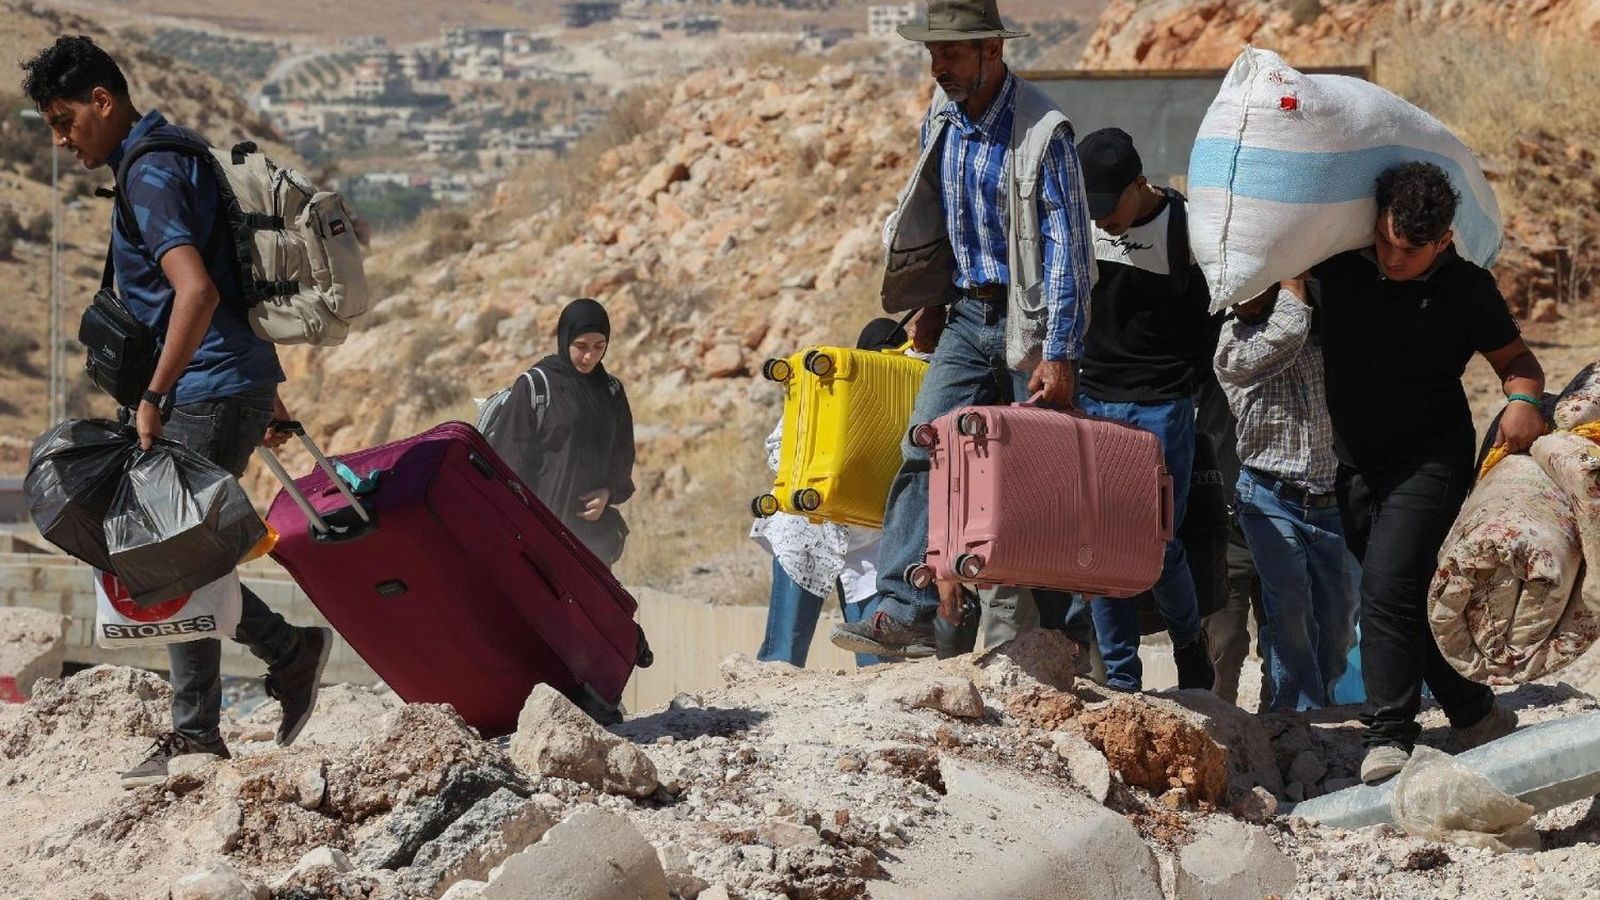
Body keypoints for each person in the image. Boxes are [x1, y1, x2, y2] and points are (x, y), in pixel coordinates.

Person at [20, 36, 331, 788]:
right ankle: (284, 654)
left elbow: (198, 291)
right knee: (177, 549)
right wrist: (263, 390)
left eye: (66, 121)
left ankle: (200, 731)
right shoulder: (177, 153)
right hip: (226, 381)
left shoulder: (151, 170)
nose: (62, 141)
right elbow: (236, 278)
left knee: (166, 546)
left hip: (200, 388)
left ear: (103, 100)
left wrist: (155, 395)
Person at [829, 0, 1096, 659]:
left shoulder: (1043, 132)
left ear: (992, 52)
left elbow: (1068, 252)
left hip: (1027, 326)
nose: (937, 65)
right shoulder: (941, 118)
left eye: (950, 52)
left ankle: (1071, 633)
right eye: (933, 53)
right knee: (923, 446)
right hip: (967, 316)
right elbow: (943, 221)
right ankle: (907, 609)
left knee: (1034, 478)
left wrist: (1059, 353)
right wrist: (929, 302)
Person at [1312, 161, 1544, 783]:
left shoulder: (1467, 289)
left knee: (1386, 590)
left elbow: (1517, 360)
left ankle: (1390, 737)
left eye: (1410, 249)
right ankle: (1473, 710)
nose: (1393, 257)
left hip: (1430, 460)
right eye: (1385, 241)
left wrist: (1523, 401)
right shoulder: (1335, 268)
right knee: (1406, 597)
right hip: (1355, 464)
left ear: (1443, 240)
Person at [1073, 127, 1216, 692]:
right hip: (1094, 399)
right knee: (1099, 540)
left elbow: (1210, 316)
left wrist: (1188, 386)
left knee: (1157, 537)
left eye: (1112, 207)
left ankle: (1188, 644)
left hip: (1163, 406)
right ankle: (1122, 679)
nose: (1105, 220)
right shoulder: (1083, 227)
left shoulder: (1185, 229)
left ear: (1140, 184)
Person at [1214, 278, 1359, 711]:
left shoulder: (1329, 329)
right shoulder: (1233, 340)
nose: (1246, 296)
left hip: (1331, 500)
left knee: (1337, 622)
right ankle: (1294, 713)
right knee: (1290, 607)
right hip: (1267, 494)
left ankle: (1319, 702)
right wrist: (1294, 284)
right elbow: (1284, 335)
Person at [754, 320, 908, 667]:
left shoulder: (909, 394)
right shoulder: (828, 390)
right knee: (783, 658)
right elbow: (778, 448)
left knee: (877, 662)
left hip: (872, 547)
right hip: (809, 535)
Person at [487, 298, 634, 566]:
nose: (590, 356)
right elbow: (508, 462)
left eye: (599, 347)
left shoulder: (611, 390)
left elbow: (623, 455)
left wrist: (608, 493)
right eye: (581, 347)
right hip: (537, 536)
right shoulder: (535, 386)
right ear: (565, 339)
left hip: (591, 540)